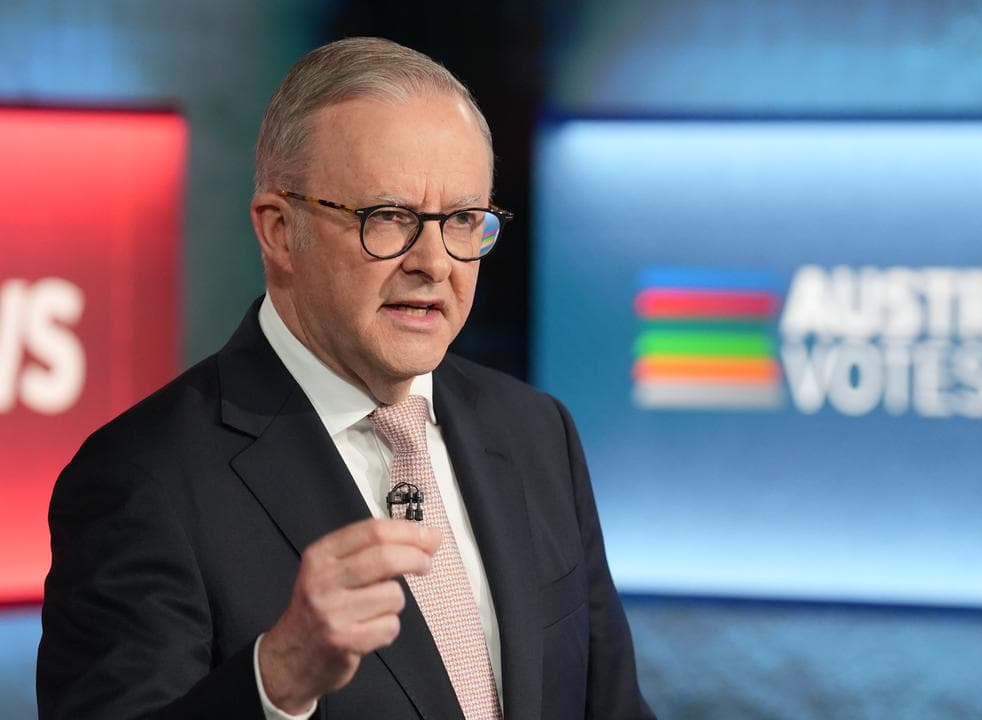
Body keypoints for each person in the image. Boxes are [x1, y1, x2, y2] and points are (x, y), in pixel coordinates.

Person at [37, 37, 654, 720]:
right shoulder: (142, 480)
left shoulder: (538, 433)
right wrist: (277, 681)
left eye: (460, 221)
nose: (434, 262)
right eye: (388, 218)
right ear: (279, 230)